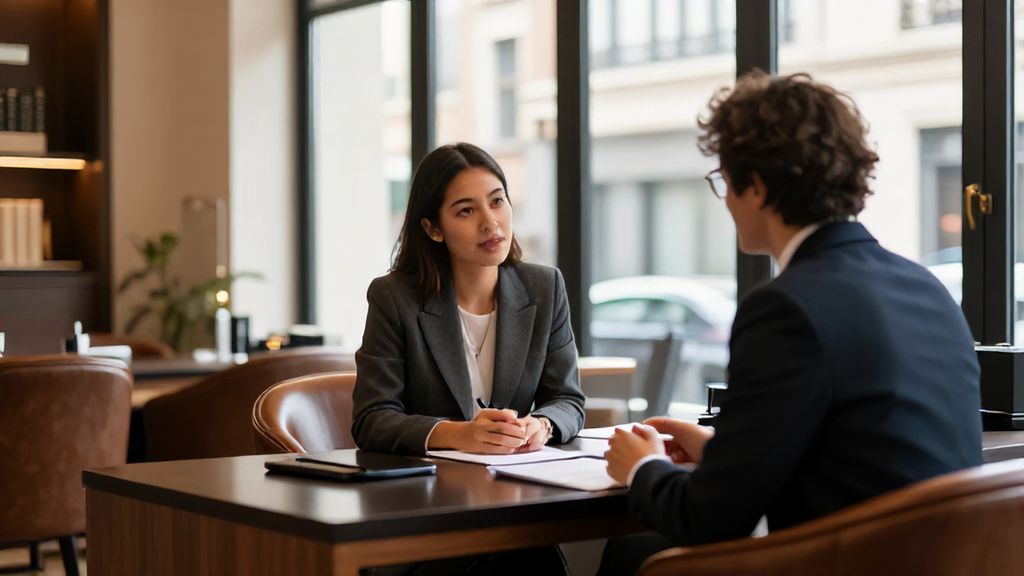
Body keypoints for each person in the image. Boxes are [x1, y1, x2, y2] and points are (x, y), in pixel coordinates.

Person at [598, 71, 982, 575]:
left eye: (725, 181)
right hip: (939, 559)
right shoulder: (925, 286)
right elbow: (866, 453)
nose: (727, 201)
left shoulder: (785, 308)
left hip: (843, 562)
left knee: (636, 553)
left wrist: (642, 467)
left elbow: (709, 519)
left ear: (755, 188)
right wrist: (726, 451)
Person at [352, 142, 585, 575]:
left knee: (529, 557)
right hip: (424, 516)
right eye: (465, 211)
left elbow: (569, 401)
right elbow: (372, 419)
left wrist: (543, 425)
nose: (490, 222)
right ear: (433, 228)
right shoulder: (394, 298)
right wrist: (458, 435)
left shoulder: (544, 287)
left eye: (497, 201)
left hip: (512, 503)